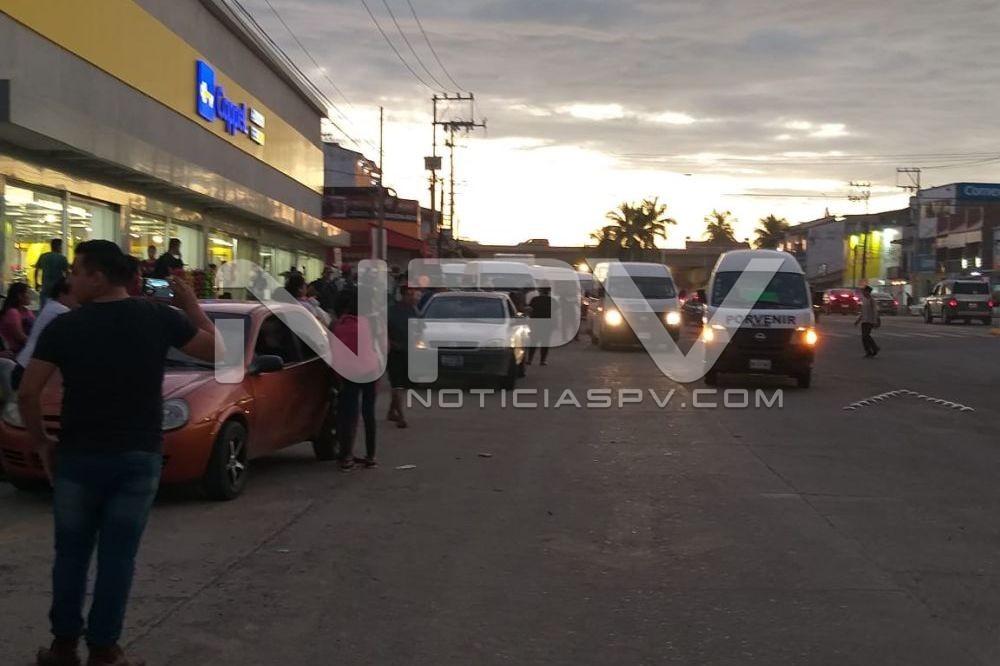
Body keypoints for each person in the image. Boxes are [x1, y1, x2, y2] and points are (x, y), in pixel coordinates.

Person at [19, 240, 219, 666]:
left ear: (98, 277)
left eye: (76, 271)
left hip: (78, 456)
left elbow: (28, 392)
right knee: (118, 558)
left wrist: (42, 442)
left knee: (70, 555)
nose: (70, 279)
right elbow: (222, 352)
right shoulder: (158, 317)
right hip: (137, 456)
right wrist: (192, 306)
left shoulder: (65, 327)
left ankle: (63, 647)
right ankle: (105, 649)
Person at [331, 291, 378, 470]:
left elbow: (335, 355)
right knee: (369, 414)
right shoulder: (368, 323)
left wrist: (338, 379)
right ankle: (371, 456)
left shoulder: (337, 327)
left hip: (349, 374)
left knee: (348, 415)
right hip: (370, 371)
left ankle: (347, 457)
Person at [12, 277, 76, 390]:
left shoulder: (51, 306)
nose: (77, 300)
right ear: (62, 294)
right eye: (74, 295)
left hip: (25, 365)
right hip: (29, 369)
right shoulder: (60, 310)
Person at [386, 285, 419, 427]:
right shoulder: (391, 311)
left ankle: (392, 411)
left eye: (414, 294)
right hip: (395, 352)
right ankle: (401, 417)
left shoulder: (414, 311)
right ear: (403, 295)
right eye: (409, 294)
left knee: (402, 385)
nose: (413, 297)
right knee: (397, 384)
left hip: (409, 352)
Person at [0, 282, 36, 355]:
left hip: (27, 347)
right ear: (19, 296)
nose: (30, 296)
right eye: (28, 293)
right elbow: (20, 337)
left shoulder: (27, 311)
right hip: (16, 352)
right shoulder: (12, 312)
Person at [35, 239, 69, 308]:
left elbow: (36, 270)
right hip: (58, 290)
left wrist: (36, 283)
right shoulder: (62, 258)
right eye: (61, 246)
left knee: (44, 309)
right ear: (58, 246)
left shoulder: (43, 256)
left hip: (45, 288)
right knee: (58, 310)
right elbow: (67, 273)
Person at [526, 286, 554, 366]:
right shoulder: (552, 300)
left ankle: (530, 360)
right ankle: (543, 360)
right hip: (547, 324)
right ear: (549, 292)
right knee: (545, 343)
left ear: (540, 291)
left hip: (536, 323)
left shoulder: (535, 299)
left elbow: (529, 310)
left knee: (533, 342)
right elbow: (556, 314)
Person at [855, 285, 881, 358]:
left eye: (864, 291)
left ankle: (875, 347)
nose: (863, 293)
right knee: (864, 337)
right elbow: (862, 312)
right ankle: (869, 351)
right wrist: (858, 320)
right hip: (864, 321)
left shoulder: (872, 300)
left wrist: (875, 321)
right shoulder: (864, 300)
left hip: (870, 321)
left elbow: (875, 312)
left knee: (866, 335)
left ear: (868, 292)